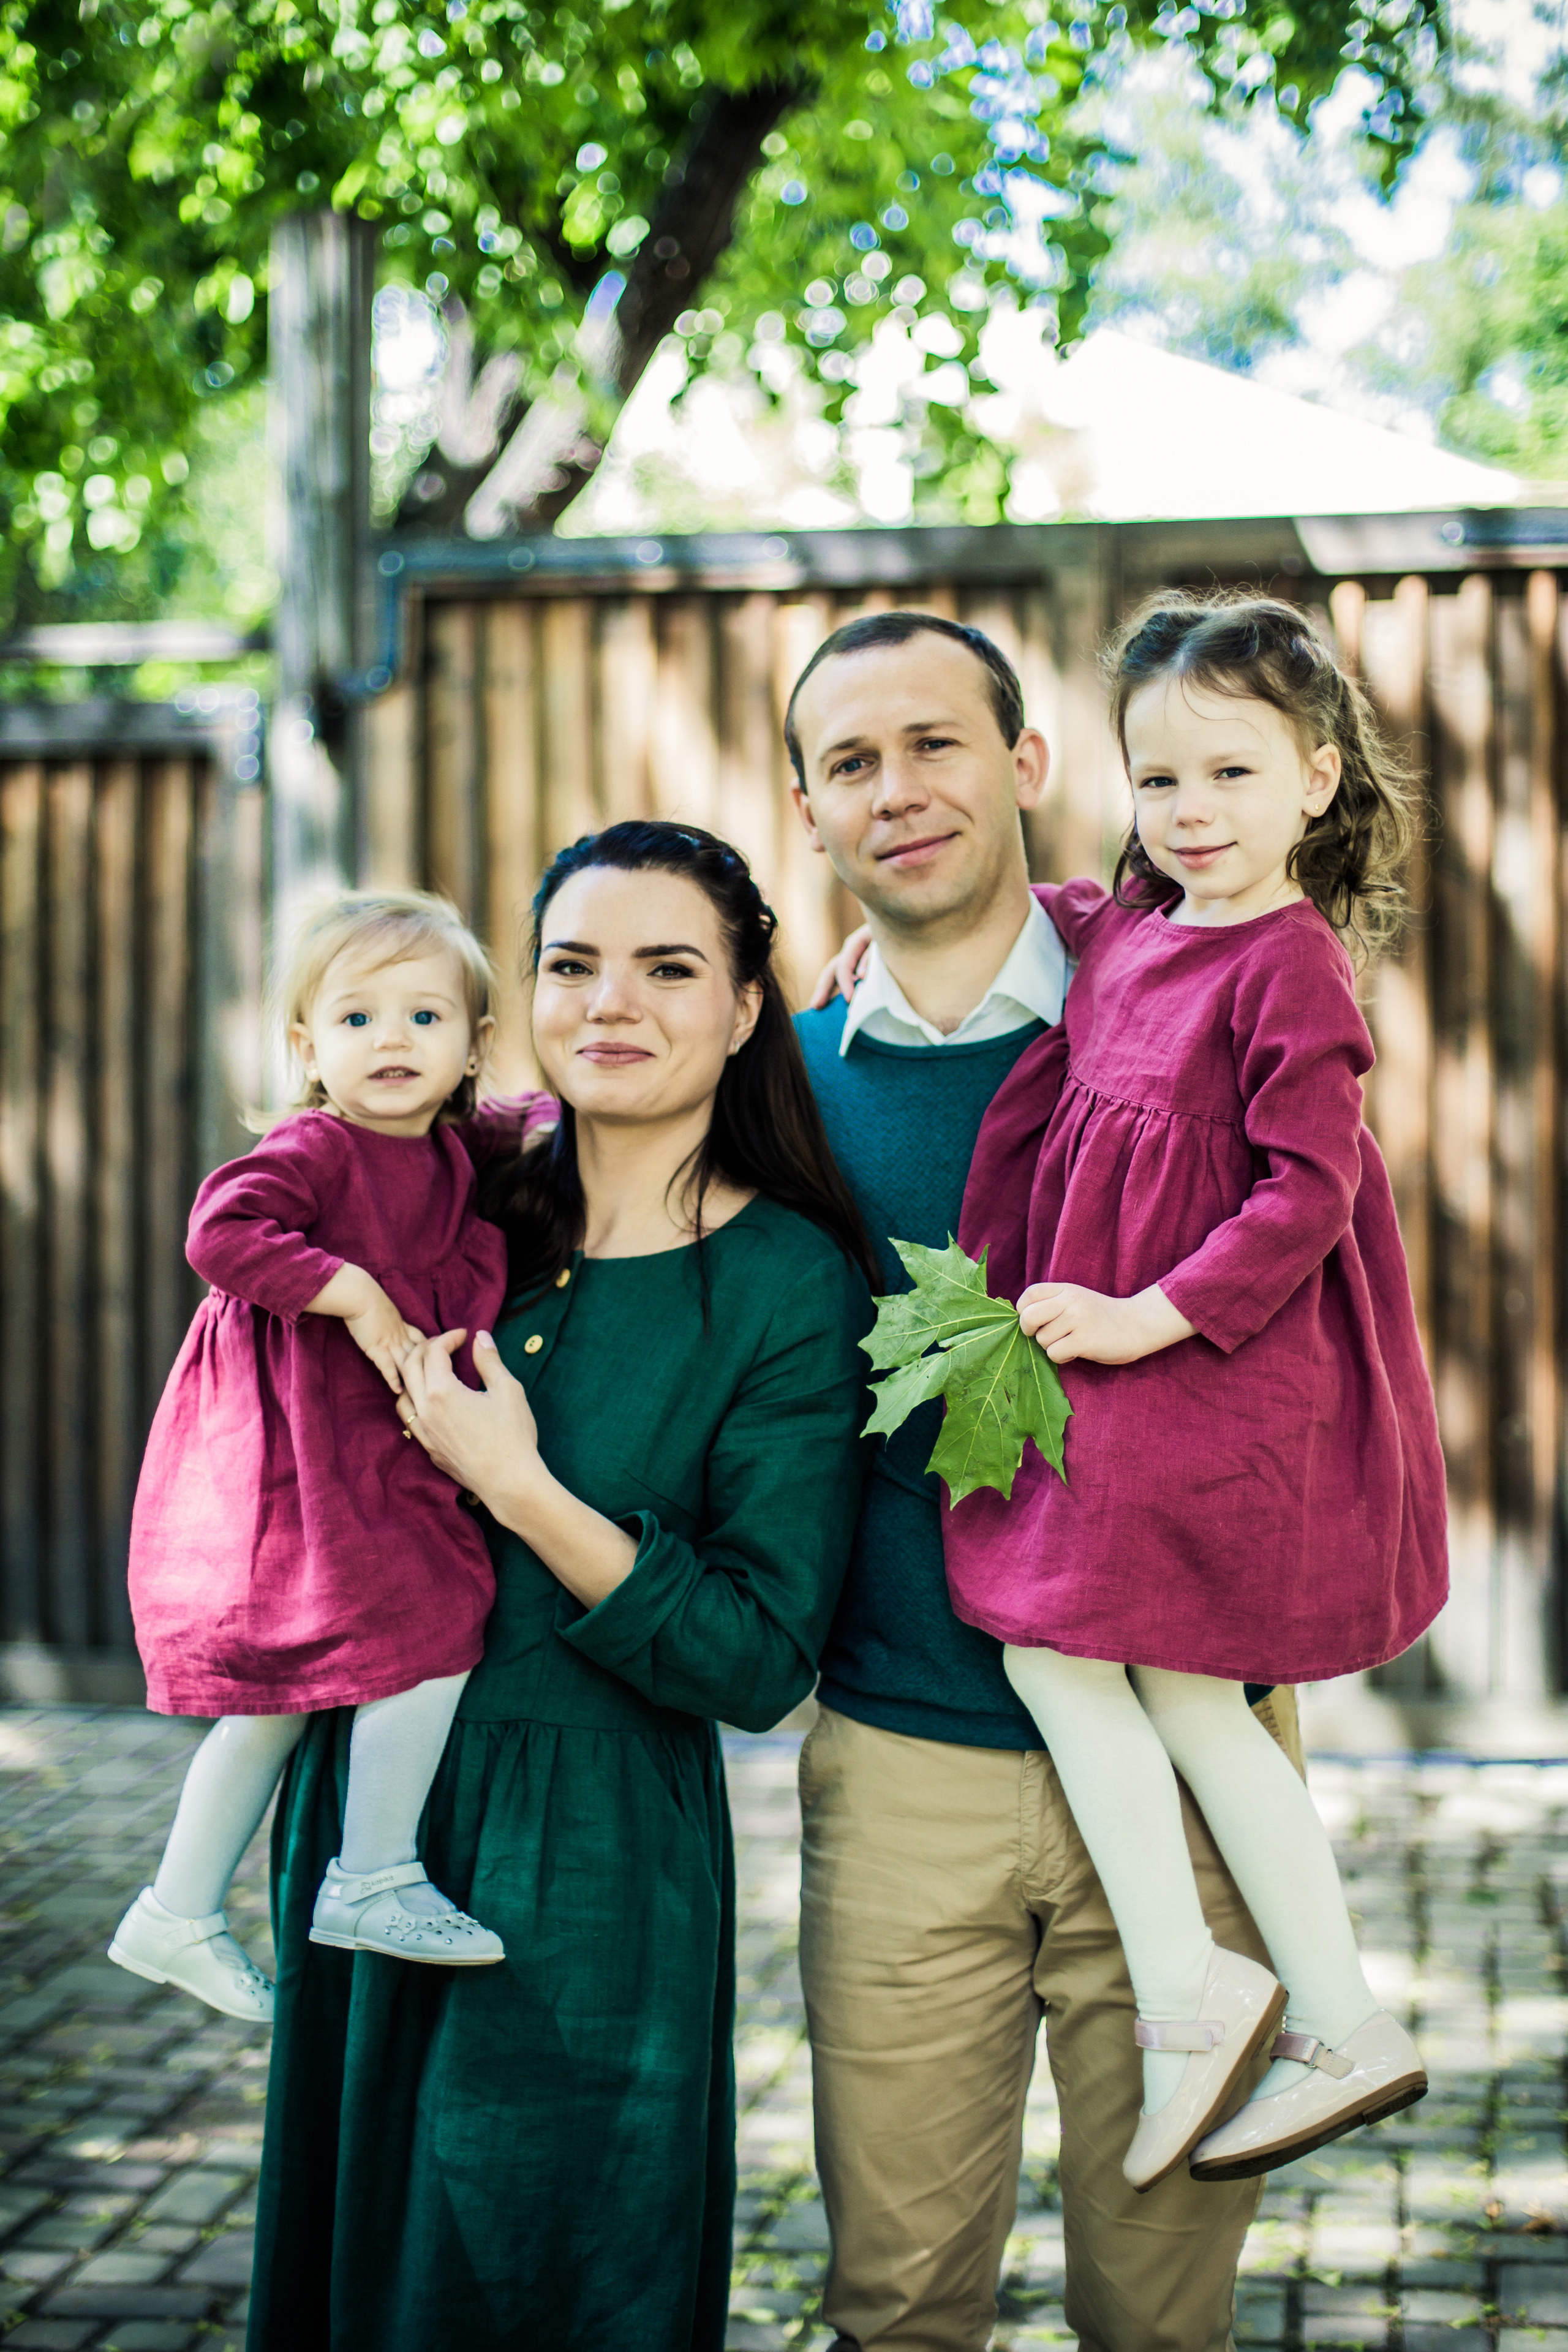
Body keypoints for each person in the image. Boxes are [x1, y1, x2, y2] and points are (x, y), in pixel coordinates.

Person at [246, 820, 876, 2352]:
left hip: (594, 1853)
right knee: (353, 2270)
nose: (612, 1002)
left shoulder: (791, 1281)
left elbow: (758, 1661)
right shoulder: (444, 1193)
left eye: (669, 969)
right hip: (361, 1811)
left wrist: (518, 1486)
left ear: (745, 1011)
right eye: (572, 965)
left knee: (548, 2273)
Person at [788, 609, 1310, 2352]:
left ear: (1027, 766)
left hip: (1177, 1743)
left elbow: (1308, 1281)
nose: (898, 791)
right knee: (896, 2300)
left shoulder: (1193, 1010)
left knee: (1162, 2315)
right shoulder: (771, 1090)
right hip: (904, 1759)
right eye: (851, 762)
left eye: (936, 742)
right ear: (809, 812)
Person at [949, 593, 1446, 2188]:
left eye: (1229, 776)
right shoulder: (1147, 921)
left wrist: (1149, 1316)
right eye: (1158, 780)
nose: (1189, 814)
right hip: (1120, 1360)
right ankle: (1328, 2014)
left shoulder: (1291, 972)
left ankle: (1206, 1994)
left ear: (1316, 777)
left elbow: (1305, 1196)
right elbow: (1087, 916)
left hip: (1196, 1372)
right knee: (1161, 1691)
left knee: (1061, 1650)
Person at [110, 891, 532, 2024]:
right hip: (297, 1469)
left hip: (361, 1467)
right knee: (435, 1623)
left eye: (424, 1017)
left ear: (472, 1048)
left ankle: (177, 1908)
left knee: (298, 1696)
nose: (390, 1041)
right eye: (354, 1020)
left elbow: (561, 1109)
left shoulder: (455, 1148)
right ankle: (372, 1874)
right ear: (305, 1047)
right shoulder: (314, 1149)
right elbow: (219, 1232)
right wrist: (348, 1289)